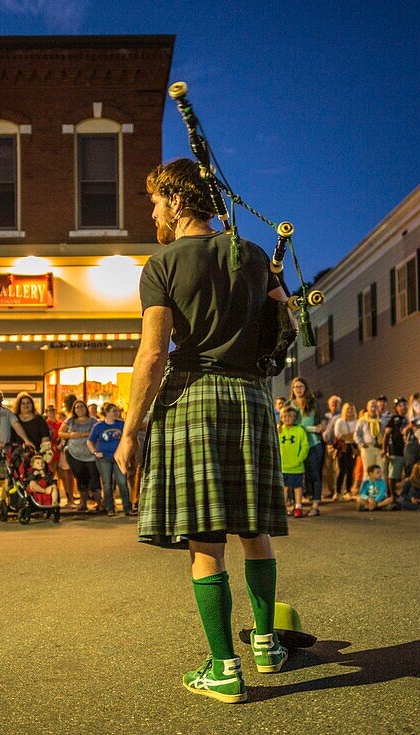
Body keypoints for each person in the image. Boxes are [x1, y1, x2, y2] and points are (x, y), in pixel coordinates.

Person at [115, 158, 288, 703]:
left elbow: (152, 354)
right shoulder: (257, 256)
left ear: (178, 201)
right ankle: (265, 644)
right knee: (252, 526)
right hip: (253, 397)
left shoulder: (162, 262)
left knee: (206, 536)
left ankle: (223, 668)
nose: (153, 211)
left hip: (194, 395)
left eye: (156, 201)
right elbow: (282, 331)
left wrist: (129, 429)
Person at [88, 402, 132, 516]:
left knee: (122, 482)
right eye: (113, 411)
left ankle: (127, 508)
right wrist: (94, 452)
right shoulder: (99, 426)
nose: (116, 413)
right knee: (107, 483)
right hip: (104, 458)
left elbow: (128, 437)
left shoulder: (121, 424)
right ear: (107, 412)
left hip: (118, 457)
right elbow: (90, 441)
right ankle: (110, 508)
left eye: (117, 411)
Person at [288, 377, 325, 515]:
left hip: (312, 443)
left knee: (314, 474)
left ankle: (315, 505)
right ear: (292, 389)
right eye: (295, 386)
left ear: (305, 388)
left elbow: (322, 421)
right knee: (294, 475)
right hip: (294, 444)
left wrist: (322, 425)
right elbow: (283, 422)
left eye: (301, 386)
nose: (298, 389)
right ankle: (297, 505)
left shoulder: (313, 403)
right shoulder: (289, 404)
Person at [60, 400, 99, 512]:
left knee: (94, 477)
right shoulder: (71, 420)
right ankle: (83, 503)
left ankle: (98, 502)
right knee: (80, 478)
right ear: (74, 409)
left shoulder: (93, 420)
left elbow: (97, 433)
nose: (79, 409)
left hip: (90, 454)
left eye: (82, 406)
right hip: (74, 453)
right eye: (77, 407)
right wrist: (70, 435)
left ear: (86, 408)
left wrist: (82, 435)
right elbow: (61, 432)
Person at [278, 405, 310, 518]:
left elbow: (305, 446)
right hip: (282, 465)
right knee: (284, 487)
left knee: (297, 487)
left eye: (290, 416)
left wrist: (299, 459)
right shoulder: (279, 430)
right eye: (284, 416)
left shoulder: (300, 430)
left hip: (296, 465)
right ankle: (284, 507)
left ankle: (298, 507)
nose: (287, 418)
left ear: (295, 417)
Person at [323, 402, 358, 500]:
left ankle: (348, 491)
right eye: (348, 409)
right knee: (341, 470)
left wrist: (349, 436)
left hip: (353, 447)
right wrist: (351, 436)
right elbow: (338, 435)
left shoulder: (357, 421)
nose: (350, 411)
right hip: (342, 447)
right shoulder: (340, 421)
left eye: (352, 409)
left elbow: (357, 435)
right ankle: (338, 492)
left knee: (351, 470)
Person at [382, 397, 411, 497]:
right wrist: (384, 449)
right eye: (400, 406)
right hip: (396, 451)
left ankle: (404, 494)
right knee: (393, 474)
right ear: (396, 408)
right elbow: (386, 435)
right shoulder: (394, 419)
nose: (402, 408)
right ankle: (392, 495)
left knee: (406, 474)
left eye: (404, 405)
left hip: (408, 452)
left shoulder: (410, 419)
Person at [354, 400, 383, 477]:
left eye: (375, 407)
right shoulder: (362, 421)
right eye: (371, 407)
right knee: (368, 471)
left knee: (381, 471)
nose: (373, 409)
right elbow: (357, 434)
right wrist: (362, 444)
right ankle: (368, 488)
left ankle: (379, 488)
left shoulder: (381, 420)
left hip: (380, 448)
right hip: (368, 448)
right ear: (367, 408)